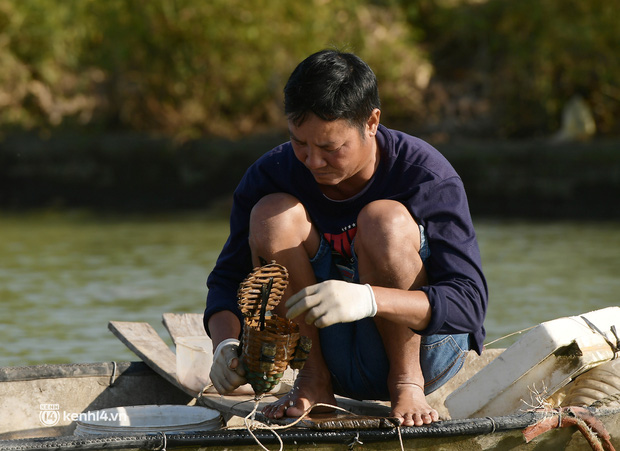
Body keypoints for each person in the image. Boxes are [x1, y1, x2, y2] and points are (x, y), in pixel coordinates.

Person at [204, 49, 487, 427]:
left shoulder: (426, 176)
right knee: (271, 215)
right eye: (299, 142)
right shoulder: (269, 174)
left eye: (330, 148)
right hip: (327, 352)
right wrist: (224, 345)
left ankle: (406, 383)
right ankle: (313, 380)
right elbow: (227, 281)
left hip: (425, 354)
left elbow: (469, 304)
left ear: (371, 123)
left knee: (382, 219)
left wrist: (370, 298)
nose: (312, 161)